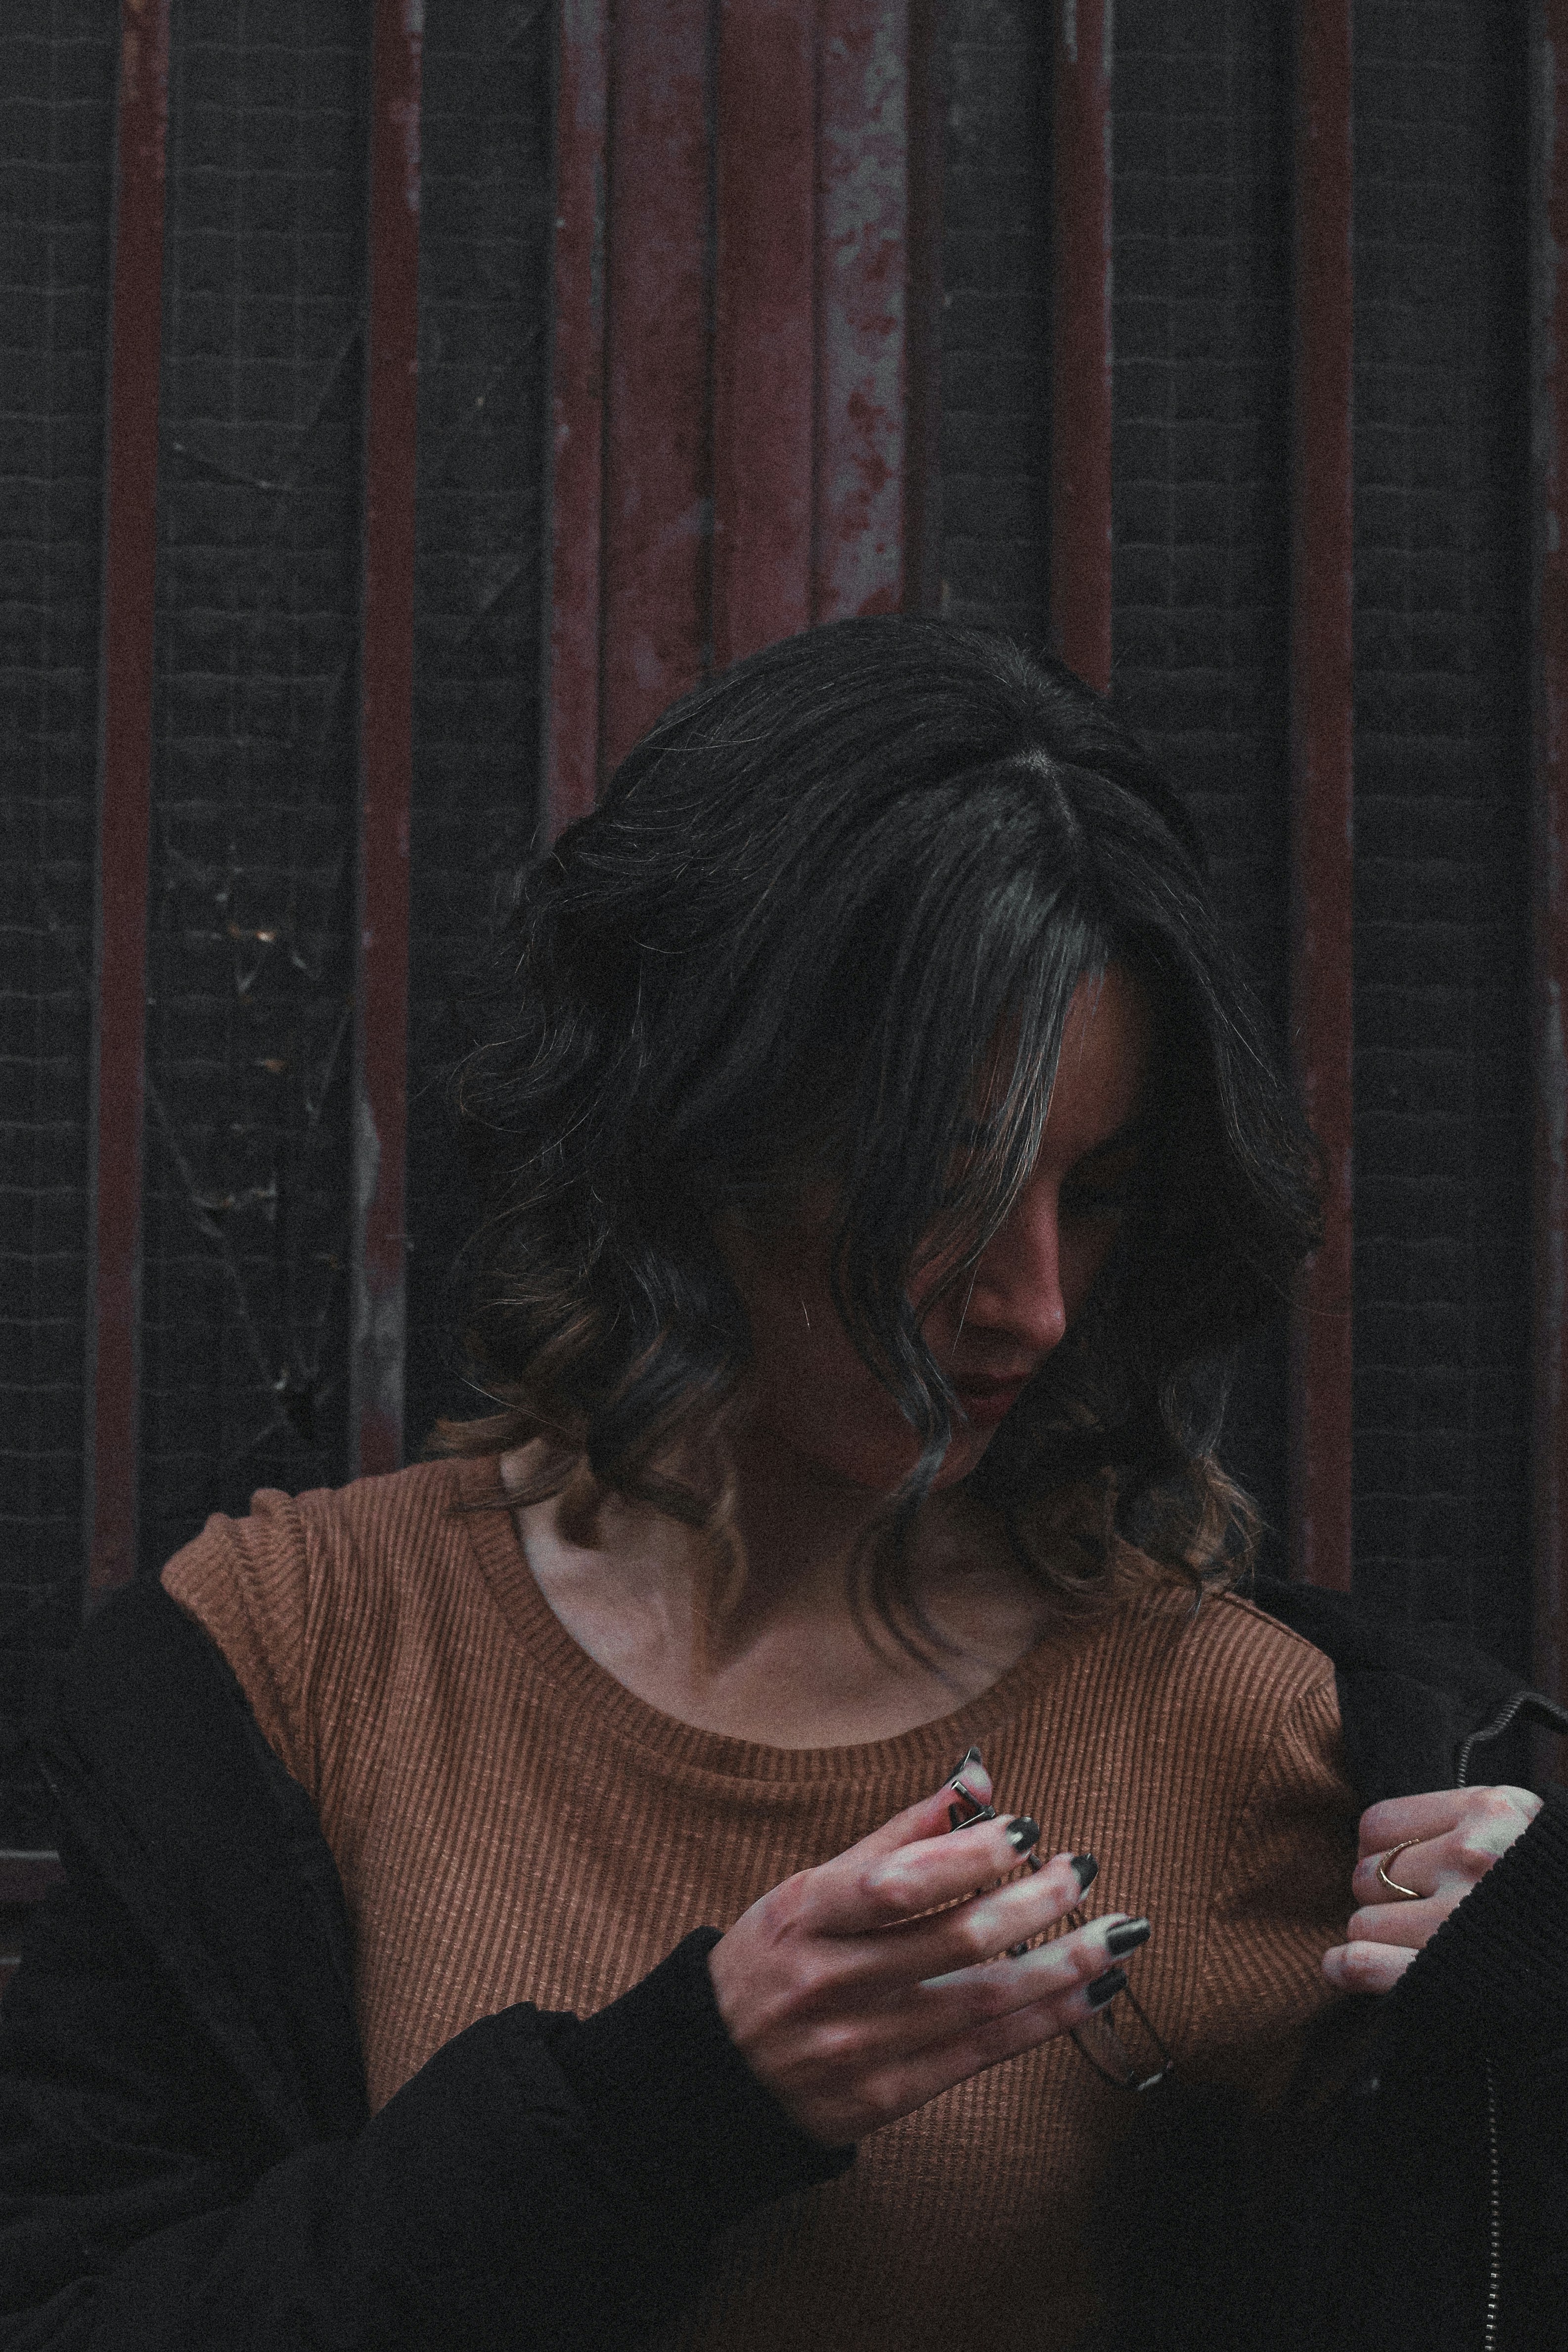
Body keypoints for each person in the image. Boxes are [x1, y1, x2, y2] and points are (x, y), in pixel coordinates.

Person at [1, 617, 1564, 2352]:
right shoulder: (285, 1663)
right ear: (699, 1122)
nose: (1033, 1300)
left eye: (1101, 1191)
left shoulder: (1286, 1739)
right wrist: (662, 2107)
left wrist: (1535, 2021)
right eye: (945, 1180)